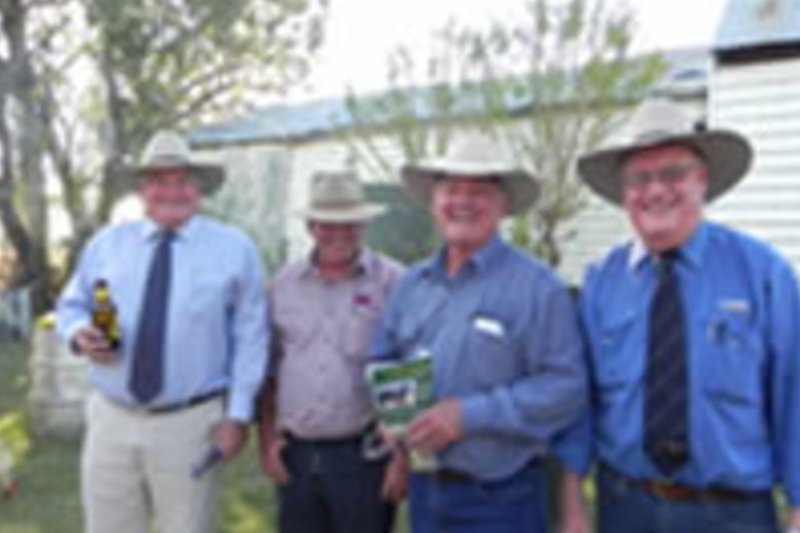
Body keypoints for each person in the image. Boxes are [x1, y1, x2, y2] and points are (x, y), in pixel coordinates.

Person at [557, 98, 800, 533]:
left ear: (702, 181)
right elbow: (581, 402)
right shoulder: (600, 283)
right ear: (623, 193)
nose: (655, 191)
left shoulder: (763, 274)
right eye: (639, 178)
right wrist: (572, 501)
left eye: (672, 174)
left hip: (733, 513)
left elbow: (794, 396)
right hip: (625, 507)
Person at [371, 134, 586, 532]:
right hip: (425, 489)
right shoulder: (411, 284)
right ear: (434, 202)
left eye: (479, 191)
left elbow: (565, 388)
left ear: (503, 204)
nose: (463, 202)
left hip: (503, 498)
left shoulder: (539, 288)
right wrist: (393, 414)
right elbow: (384, 355)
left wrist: (467, 416)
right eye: (451, 189)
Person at [56, 130, 268, 533]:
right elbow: (71, 304)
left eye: (183, 180)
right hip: (110, 419)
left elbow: (251, 339)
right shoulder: (106, 244)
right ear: (142, 188)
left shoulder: (234, 249)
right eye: (159, 180)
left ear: (199, 187)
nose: (172, 190)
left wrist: (238, 415)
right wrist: (80, 332)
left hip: (190, 424)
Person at [257, 171, 406, 533]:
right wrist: (265, 442)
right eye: (328, 224)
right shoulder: (282, 287)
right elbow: (268, 371)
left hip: (365, 454)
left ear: (364, 225)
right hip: (297, 455)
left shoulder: (394, 283)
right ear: (310, 226)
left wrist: (402, 458)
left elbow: (407, 372)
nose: (339, 234)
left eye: (349, 224)